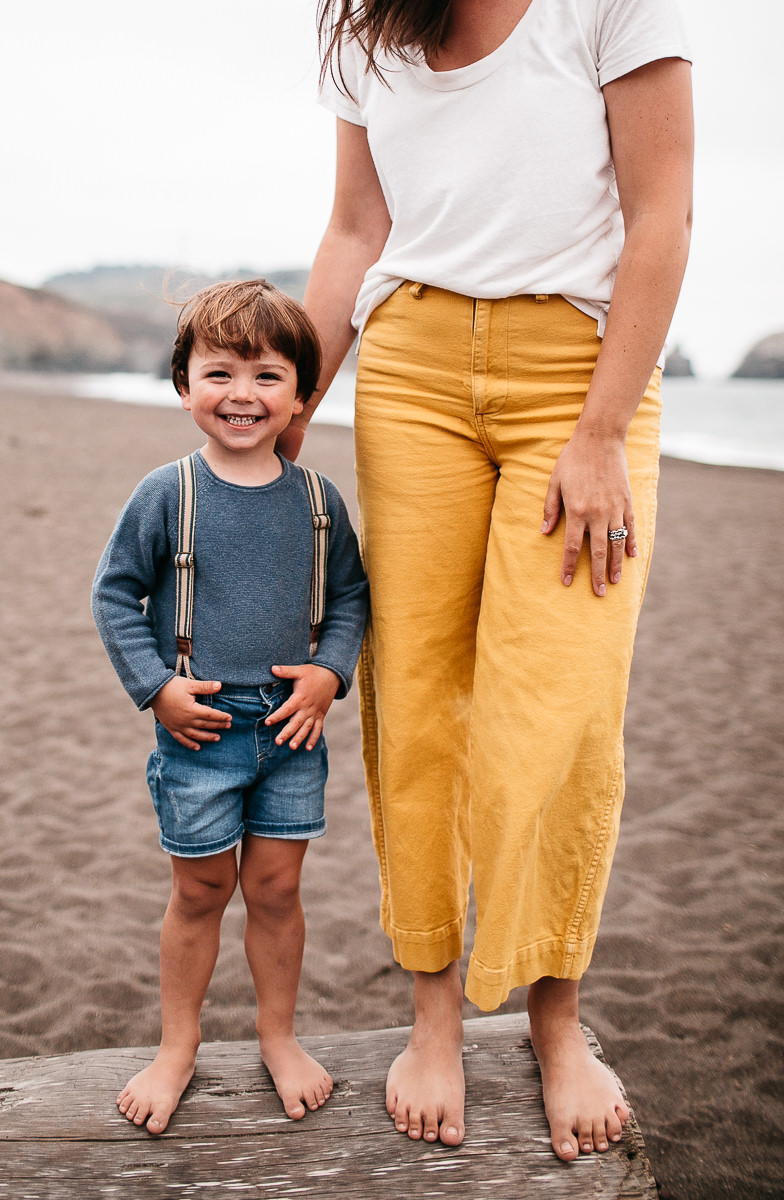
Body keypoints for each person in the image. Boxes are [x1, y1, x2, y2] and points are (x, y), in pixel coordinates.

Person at [277, 0, 694, 1163]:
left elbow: (662, 213)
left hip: (578, 370)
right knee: (412, 702)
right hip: (407, 369)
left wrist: (602, 430)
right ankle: (434, 1016)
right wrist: (293, 404)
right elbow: (355, 233)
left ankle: (555, 1023)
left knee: (554, 708)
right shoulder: (363, 27)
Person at [91, 279, 368, 1134]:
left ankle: (277, 1036)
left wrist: (329, 672)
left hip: (292, 728)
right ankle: (178, 1046)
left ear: (299, 396)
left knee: (279, 889)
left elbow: (352, 598)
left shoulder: (319, 502)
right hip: (199, 731)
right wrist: (156, 687)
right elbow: (114, 597)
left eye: (267, 376)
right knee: (203, 888)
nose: (242, 394)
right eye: (219, 373)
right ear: (185, 387)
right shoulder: (166, 493)